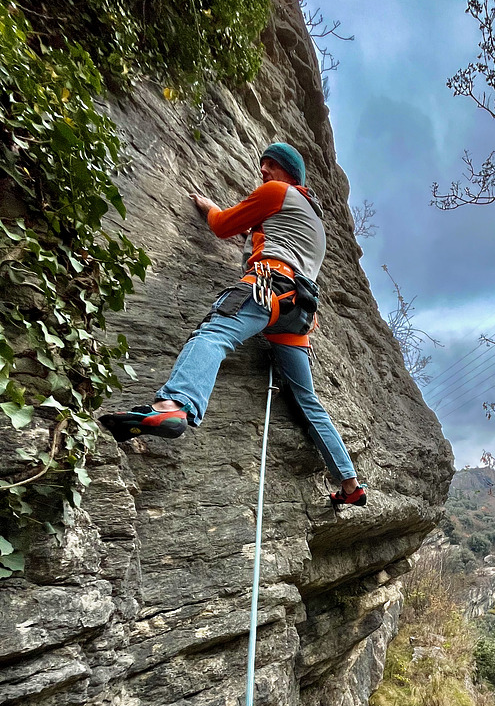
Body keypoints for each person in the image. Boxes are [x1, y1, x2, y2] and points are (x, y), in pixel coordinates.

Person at [100, 142, 366, 507]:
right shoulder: (314, 223)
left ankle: (174, 405)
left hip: (268, 288)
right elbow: (267, 237)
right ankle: (350, 485)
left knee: (214, 334)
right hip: (298, 312)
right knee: (307, 400)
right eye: (262, 164)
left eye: (271, 164)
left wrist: (210, 208)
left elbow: (224, 225)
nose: (263, 171)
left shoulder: (276, 192)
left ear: (290, 174)